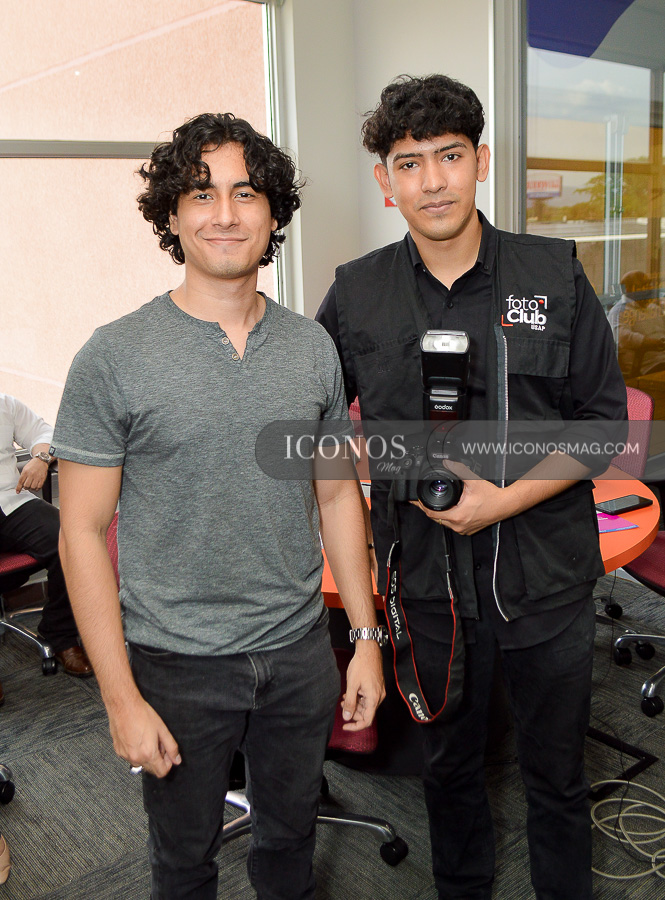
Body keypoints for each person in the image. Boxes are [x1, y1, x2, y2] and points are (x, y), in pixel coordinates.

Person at [52, 112, 385, 900]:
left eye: (246, 193)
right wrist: (120, 698)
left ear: (272, 214)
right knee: (183, 863)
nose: (225, 214)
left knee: (290, 842)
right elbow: (80, 532)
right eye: (202, 194)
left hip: (299, 652)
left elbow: (337, 493)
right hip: (177, 663)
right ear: (170, 216)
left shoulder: (310, 347)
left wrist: (365, 638)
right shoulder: (114, 356)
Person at [316, 75, 627, 900]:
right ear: (384, 181)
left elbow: (601, 425)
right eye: (408, 163)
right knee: (448, 769)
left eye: (449, 156)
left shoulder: (552, 274)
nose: (432, 181)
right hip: (423, 586)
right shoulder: (357, 294)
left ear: (480, 162)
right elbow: (311, 426)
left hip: (545, 576)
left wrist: (504, 498)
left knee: (555, 773)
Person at [0, 393, 93, 684]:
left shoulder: (5, 404)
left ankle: (60, 633)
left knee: (71, 539)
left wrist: (40, 459)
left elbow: (46, 433)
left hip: (9, 500)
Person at [608, 270, 665, 377]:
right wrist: (651, 343)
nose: (649, 289)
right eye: (643, 286)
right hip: (647, 366)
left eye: (649, 285)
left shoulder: (654, 308)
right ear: (628, 290)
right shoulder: (619, 311)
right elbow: (622, 338)